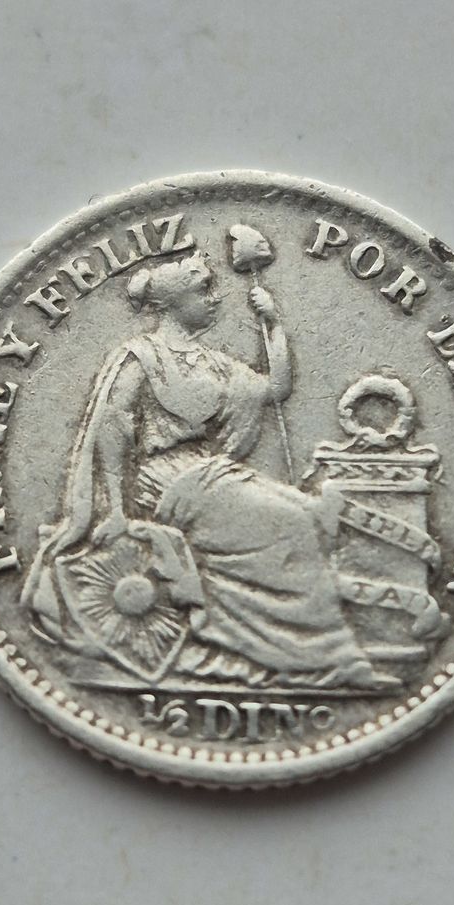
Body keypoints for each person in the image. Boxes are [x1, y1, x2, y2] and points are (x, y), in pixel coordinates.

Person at [21, 248, 391, 690]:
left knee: (309, 514)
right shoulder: (142, 356)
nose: (216, 298)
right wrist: (117, 511)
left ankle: (305, 650)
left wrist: (273, 324)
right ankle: (322, 657)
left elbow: (275, 388)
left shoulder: (212, 362)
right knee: (290, 523)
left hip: (208, 472)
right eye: (204, 289)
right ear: (173, 303)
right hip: (161, 480)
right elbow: (113, 430)